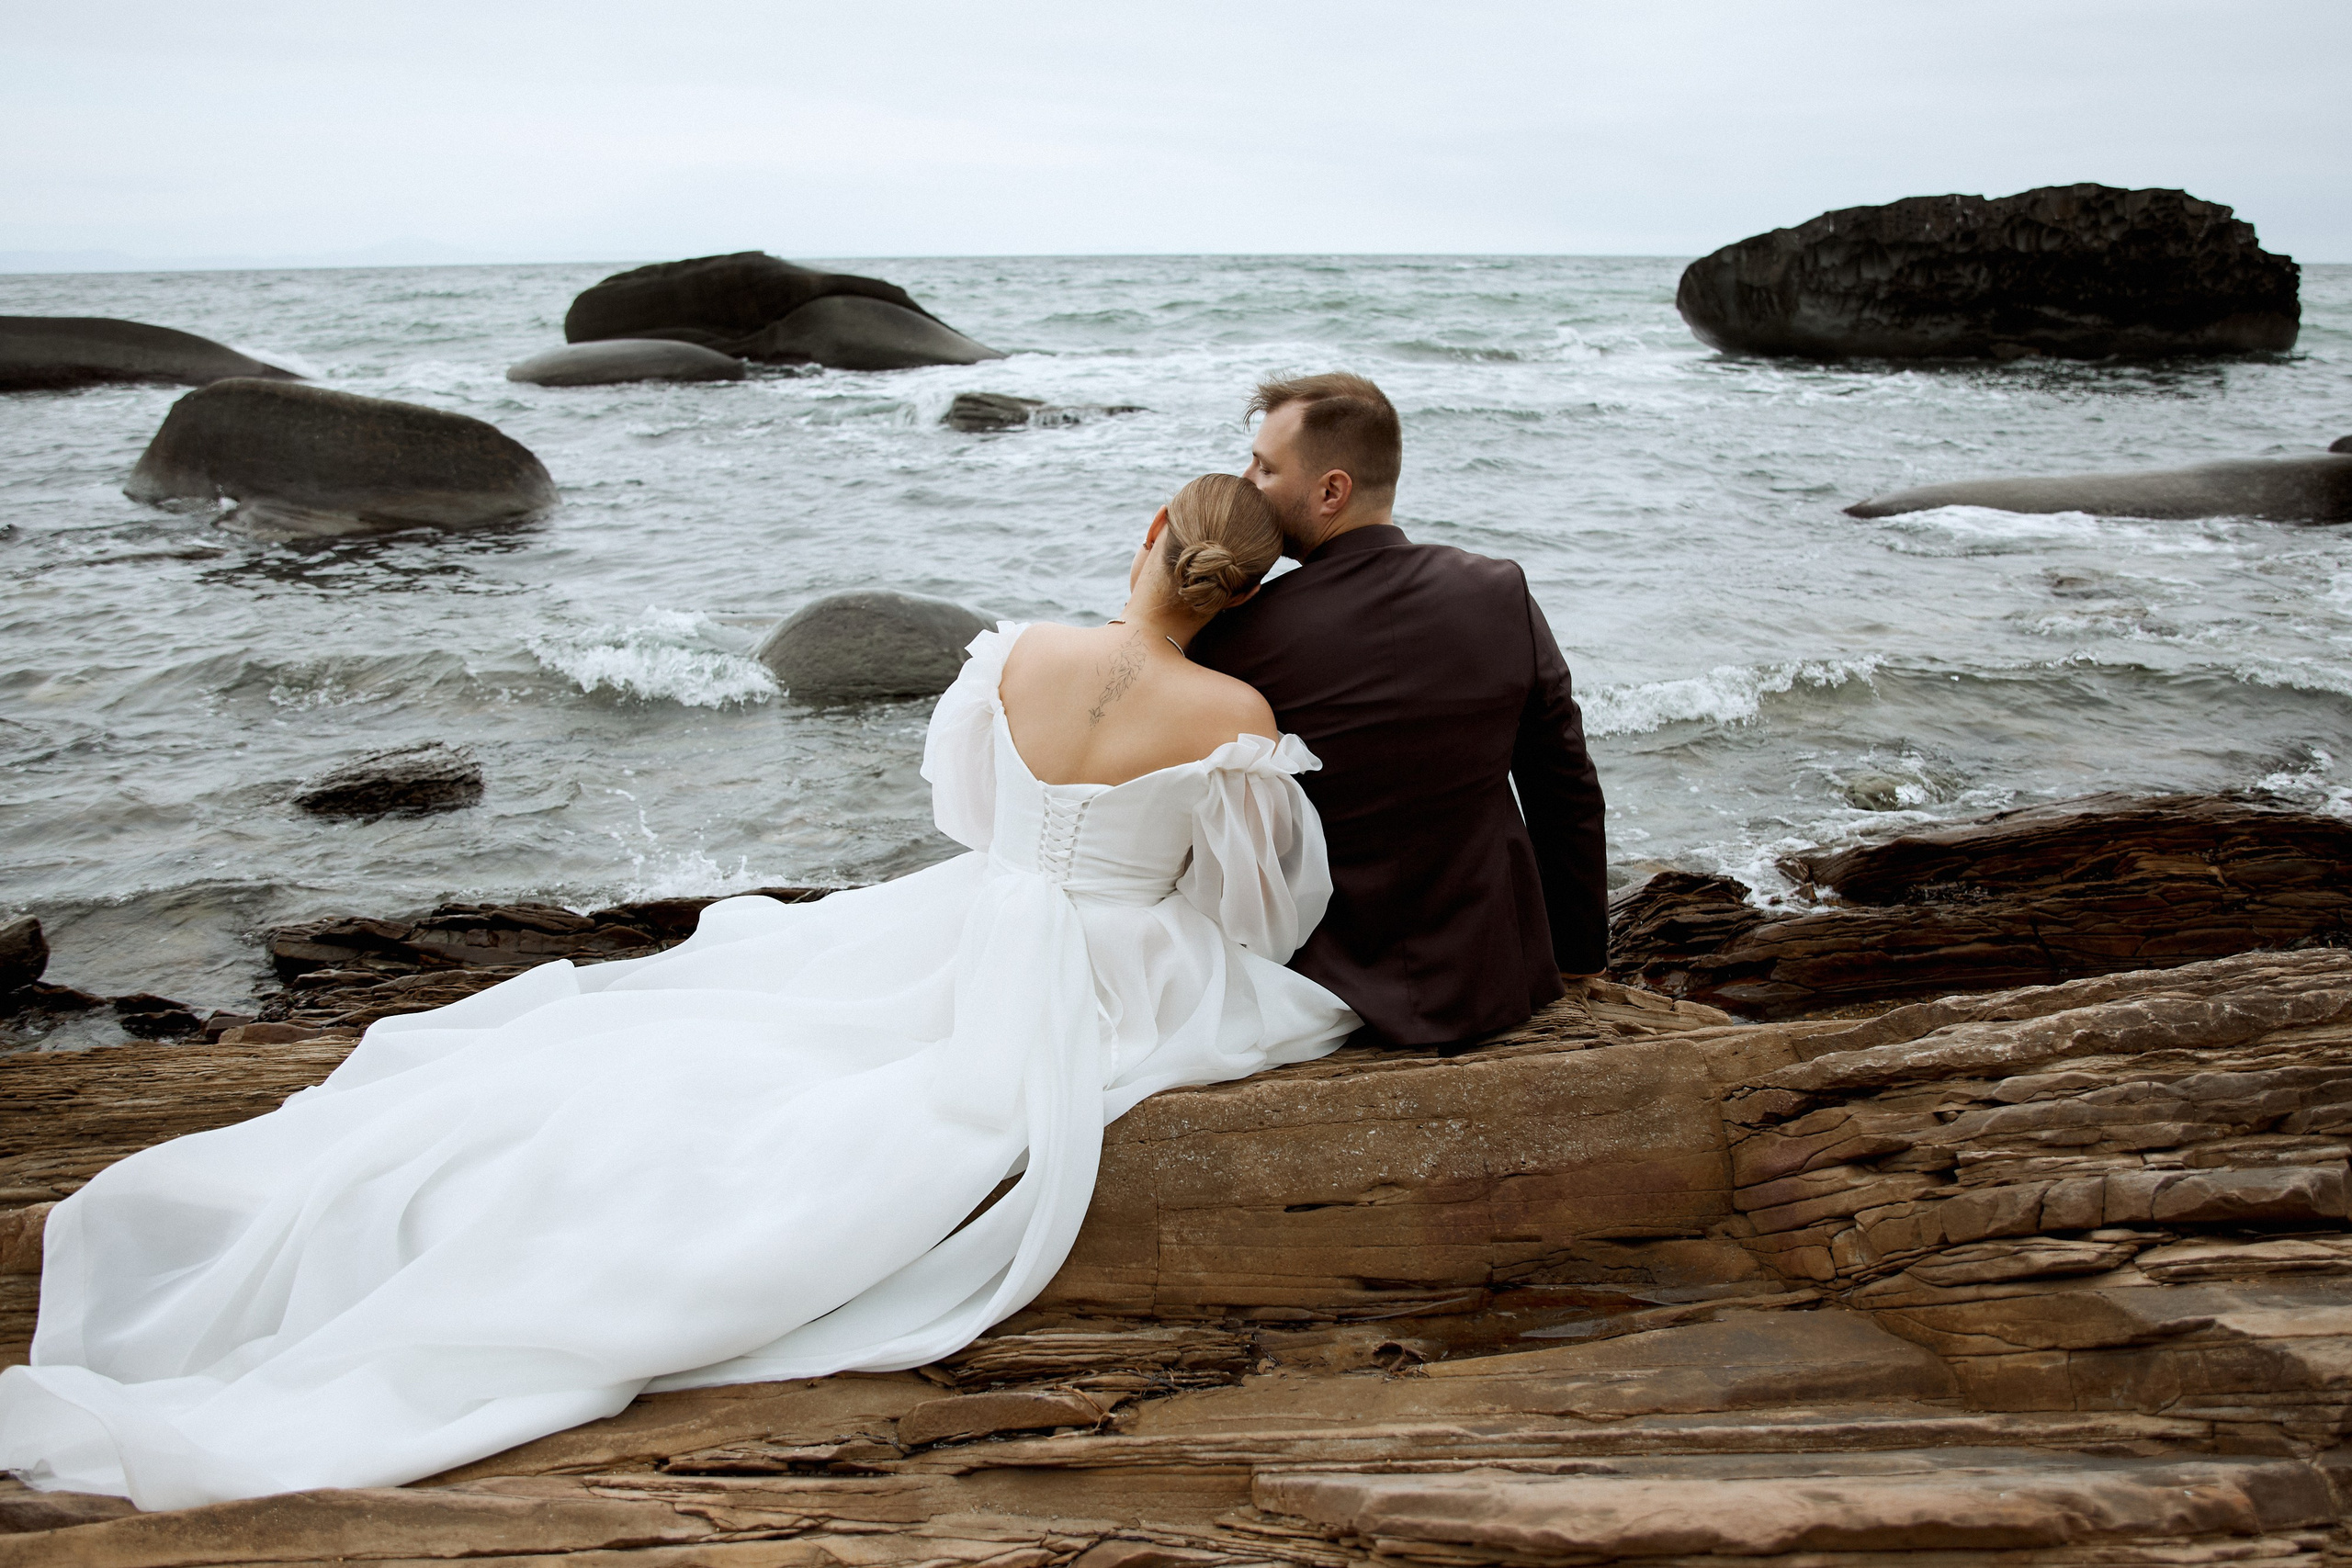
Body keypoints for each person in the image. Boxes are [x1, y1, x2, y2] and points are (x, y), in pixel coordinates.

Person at [0, 474, 1358, 1510]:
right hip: (1117, 946)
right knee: (901, 1102)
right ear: (1243, 594)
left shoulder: (1013, 651)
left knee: (752, 1033)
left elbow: (966, 807)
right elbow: (1257, 906)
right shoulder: (1236, 717)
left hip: (969, 907)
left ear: (1145, 536)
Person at [1192, 373, 1609, 1049]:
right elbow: (1565, 786)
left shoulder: (1239, 634)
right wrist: (1581, 952)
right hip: (1495, 980)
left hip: (1314, 990)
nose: (1246, 483)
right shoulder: (1500, 592)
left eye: (1265, 467)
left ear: (1332, 490)